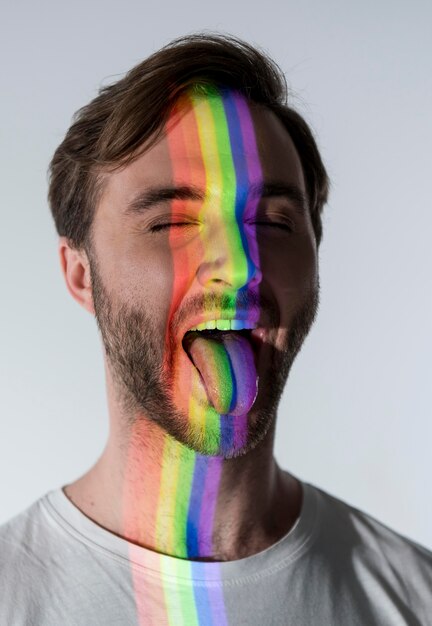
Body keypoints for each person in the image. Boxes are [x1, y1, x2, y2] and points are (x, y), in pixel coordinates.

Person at [1, 33, 431, 626]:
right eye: (172, 221)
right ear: (81, 275)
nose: (241, 264)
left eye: (273, 222)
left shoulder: (415, 595)